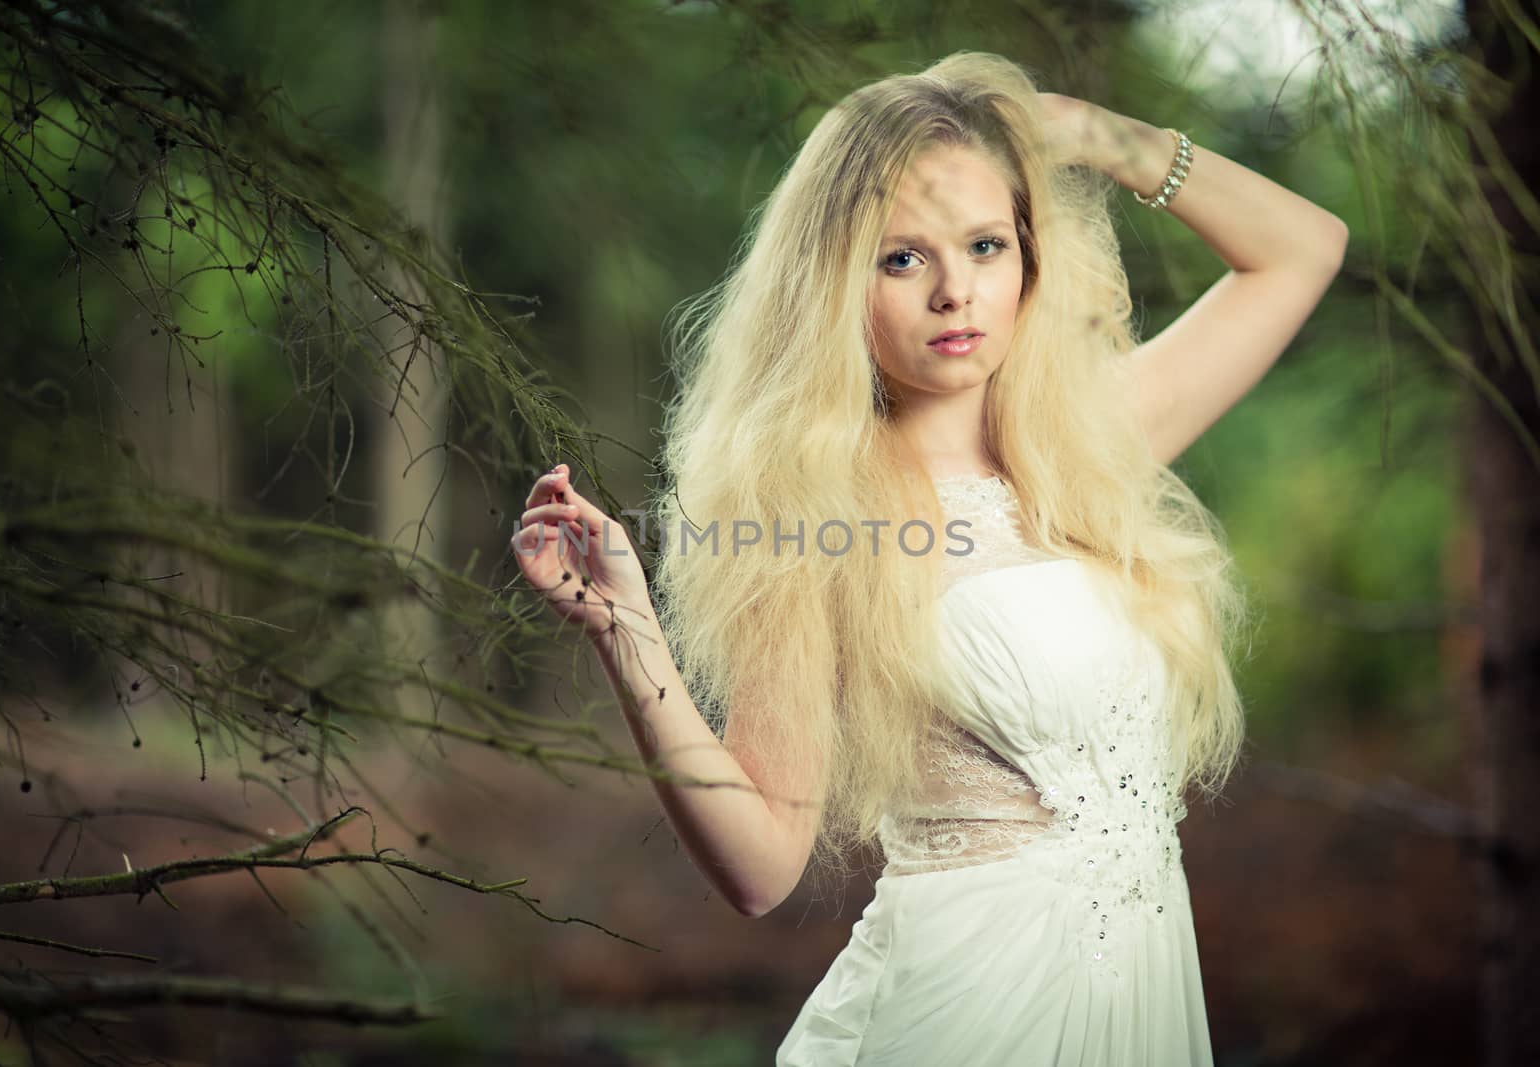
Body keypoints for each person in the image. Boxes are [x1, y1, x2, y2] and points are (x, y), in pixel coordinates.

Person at [510, 51, 1346, 1066]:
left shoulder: (1089, 444)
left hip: (1143, 1005)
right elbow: (761, 865)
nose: (957, 291)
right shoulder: (815, 513)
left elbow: (1303, 246)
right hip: (958, 1012)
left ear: (1031, 257)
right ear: (833, 284)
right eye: (901, 258)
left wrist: (1085, 134)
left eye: (986, 244)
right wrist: (626, 629)